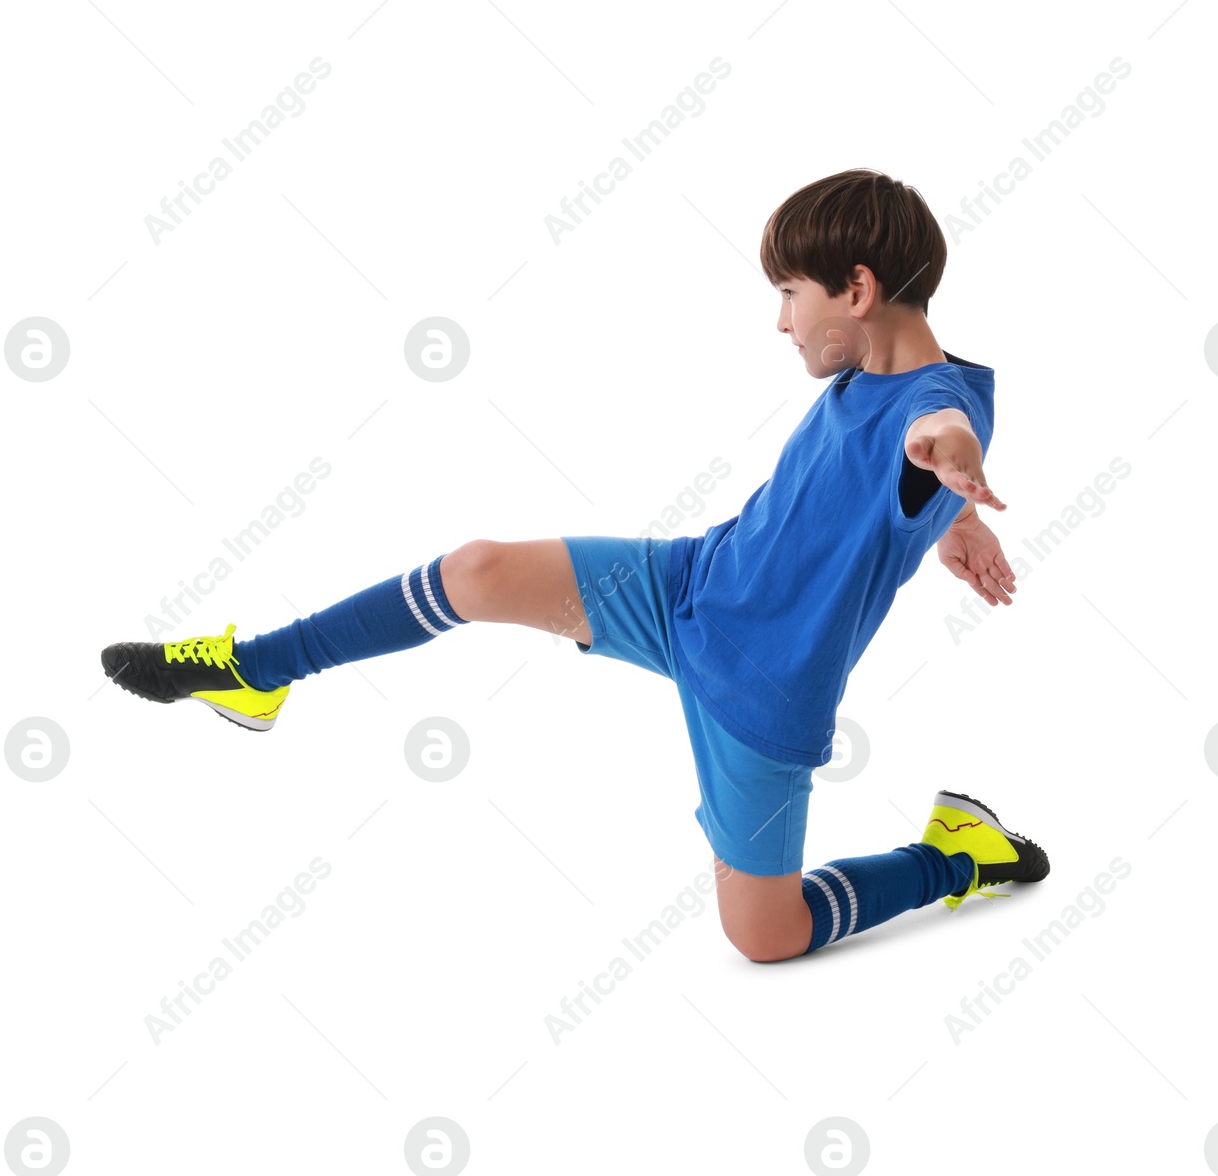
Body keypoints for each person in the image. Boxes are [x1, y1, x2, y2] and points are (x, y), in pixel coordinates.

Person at [101, 168, 1049, 962]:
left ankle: (957, 855)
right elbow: (876, 492)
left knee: (766, 935)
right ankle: (257, 671)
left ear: (855, 288)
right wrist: (946, 519)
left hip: (760, 692)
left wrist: (951, 463)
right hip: (686, 586)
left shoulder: (935, 400)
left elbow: (937, 428)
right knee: (475, 570)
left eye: (789, 296)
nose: (780, 323)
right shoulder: (866, 370)